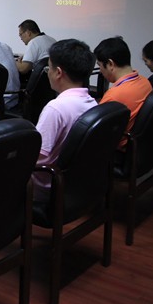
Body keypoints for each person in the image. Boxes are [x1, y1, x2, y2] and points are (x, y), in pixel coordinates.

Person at [32, 39, 98, 203]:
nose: (48, 73)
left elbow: (36, 156)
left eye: (48, 68)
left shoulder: (55, 109)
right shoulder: (92, 103)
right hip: (75, 183)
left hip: (44, 186)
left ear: (58, 73)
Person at [94, 36, 152, 148]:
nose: (100, 70)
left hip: (116, 149)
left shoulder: (114, 96)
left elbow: (96, 134)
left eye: (99, 65)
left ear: (110, 64)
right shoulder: (145, 82)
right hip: (139, 144)